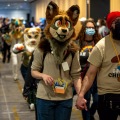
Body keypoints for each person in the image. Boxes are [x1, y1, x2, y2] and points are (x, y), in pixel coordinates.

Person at [31, 1, 81, 120]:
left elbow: (76, 75)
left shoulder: (73, 51)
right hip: (45, 98)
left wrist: (80, 95)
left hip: (65, 99)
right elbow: (34, 71)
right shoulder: (42, 49)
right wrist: (43, 75)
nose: (63, 29)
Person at [76, 11, 120, 120]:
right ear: (110, 26)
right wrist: (81, 95)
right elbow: (90, 74)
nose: (118, 24)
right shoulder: (101, 46)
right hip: (108, 97)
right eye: (115, 21)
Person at [76, 19, 101, 120]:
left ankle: (91, 114)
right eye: (88, 28)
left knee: (97, 100)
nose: (90, 29)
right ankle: (87, 118)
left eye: (92, 28)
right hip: (83, 77)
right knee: (85, 100)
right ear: (84, 29)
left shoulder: (99, 43)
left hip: (97, 77)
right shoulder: (78, 43)